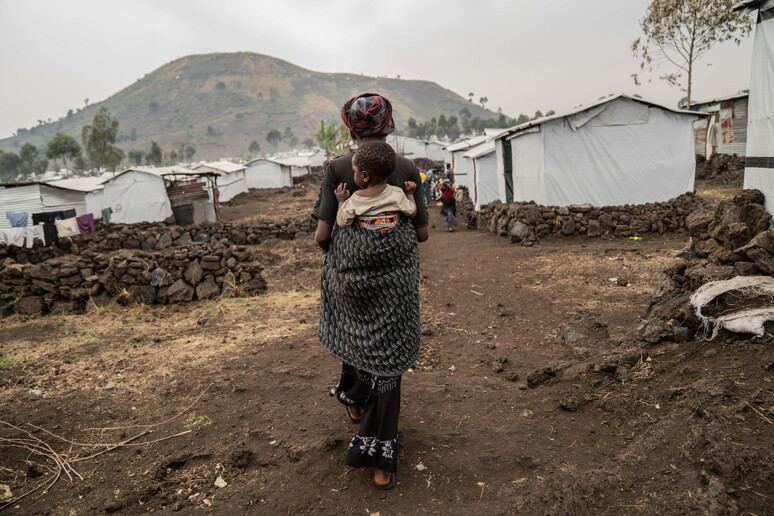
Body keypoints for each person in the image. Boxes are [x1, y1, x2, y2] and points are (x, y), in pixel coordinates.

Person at [312, 93, 428, 490]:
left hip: (350, 283)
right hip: (394, 288)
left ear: (350, 127)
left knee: (355, 337)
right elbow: (423, 233)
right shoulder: (407, 167)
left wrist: (352, 245)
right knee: (388, 363)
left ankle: (356, 399)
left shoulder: (338, 168)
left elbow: (323, 235)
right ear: (388, 126)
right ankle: (382, 463)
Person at [335, 141, 417, 229]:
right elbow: (411, 213)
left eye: (354, 171)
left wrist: (341, 201)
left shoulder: (356, 199)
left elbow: (341, 221)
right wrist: (410, 194)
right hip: (393, 242)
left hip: (364, 242)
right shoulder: (397, 193)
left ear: (365, 176)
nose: (353, 174)